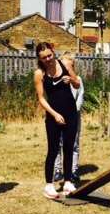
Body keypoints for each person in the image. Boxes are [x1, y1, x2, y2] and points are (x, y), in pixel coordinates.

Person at [33, 43, 81, 199]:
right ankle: (49, 185)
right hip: (54, 116)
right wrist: (54, 114)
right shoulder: (39, 74)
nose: (48, 59)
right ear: (40, 59)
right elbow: (41, 98)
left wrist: (70, 79)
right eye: (44, 57)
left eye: (49, 55)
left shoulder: (65, 64)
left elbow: (77, 84)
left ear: (53, 52)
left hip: (70, 112)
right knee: (53, 150)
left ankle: (67, 182)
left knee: (68, 147)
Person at [53, 52, 84, 184]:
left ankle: (73, 170)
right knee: (58, 143)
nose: (67, 70)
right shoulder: (56, 80)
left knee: (74, 144)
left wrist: (72, 112)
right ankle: (58, 171)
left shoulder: (78, 80)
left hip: (73, 117)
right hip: (59, 117)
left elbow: (80, 98)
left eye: (69, 67)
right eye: (64, 67)